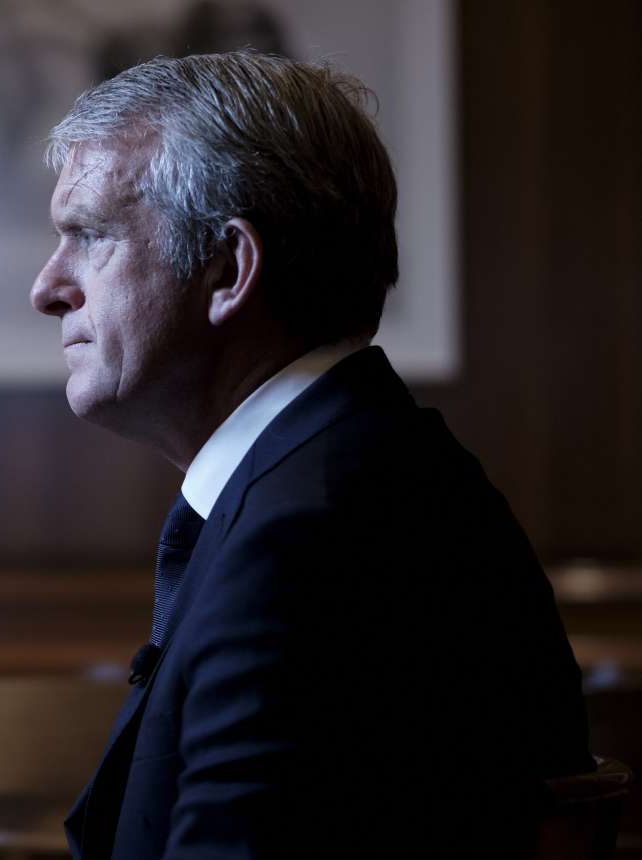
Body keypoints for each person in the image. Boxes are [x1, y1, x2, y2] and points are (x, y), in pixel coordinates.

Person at [30, 52, 592, 860]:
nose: (48, 288)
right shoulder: (351, 471)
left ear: (228, 269)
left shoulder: (309, 536)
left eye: (89, 236)